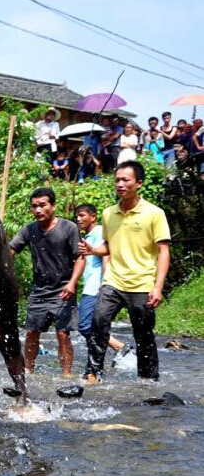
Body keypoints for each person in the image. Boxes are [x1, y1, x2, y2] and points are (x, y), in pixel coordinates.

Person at [79, 161, 171, 383]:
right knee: (98, 322)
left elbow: (163, 251)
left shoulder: (154, 213)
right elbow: (109, 247)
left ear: (138, 183)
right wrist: (93, 250)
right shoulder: (109, 213)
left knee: (144, 335)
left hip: (142, 284)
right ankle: (93, 373)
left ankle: (148, 380)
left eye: (125, 180)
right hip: (113, 281)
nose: (120, 184)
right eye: (117, 180)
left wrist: (158, 286)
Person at [9, 187, 84, 377]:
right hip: (39, 290)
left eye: (42, 205)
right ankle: (29, 371)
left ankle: (66, 374)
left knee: (62, 333)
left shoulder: (69, 228)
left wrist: (72, 283)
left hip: (63, 289)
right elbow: (11, 250)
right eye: (34, 206)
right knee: (32, 332)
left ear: (53, 206)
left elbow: (80, 258)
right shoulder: (29, 230)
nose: (38, 210)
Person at [74, 203, 130, 361]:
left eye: (82, 215)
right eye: (77, 216)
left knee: (85, 326)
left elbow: (106, 256)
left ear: (93, 217)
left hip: (96, 288)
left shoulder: (99, 232)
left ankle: (120, 347)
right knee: (91, 326)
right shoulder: (87, 236)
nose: (78, 219)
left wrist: (104, 284)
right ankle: (97, 364)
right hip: (90, 287)